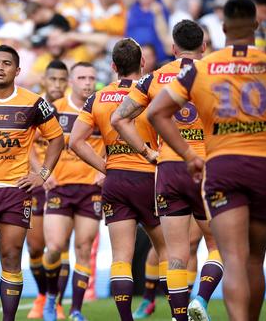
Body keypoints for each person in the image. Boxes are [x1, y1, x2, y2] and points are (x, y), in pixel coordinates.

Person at [147, 0, 266, 321]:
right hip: (264, 165)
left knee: (233, 258)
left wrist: (189, 155)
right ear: (257, 25)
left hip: (222, 167)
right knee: (253, 260)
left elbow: (157, 113)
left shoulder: (202, 70)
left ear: (222, 28)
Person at [111, 20, 224, 321]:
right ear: (203, 47)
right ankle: (201, 298)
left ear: (173, 48)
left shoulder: (153, 79)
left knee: (175, 254)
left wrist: (148, 152)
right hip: (206, 167)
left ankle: (178, 317)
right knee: (220, 245)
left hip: (169, 169)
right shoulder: (215, 75)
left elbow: (118, 119)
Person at [0, 44, 64, 321]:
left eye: (6, 63)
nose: (0, 67)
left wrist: (41, 174)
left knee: (11, 255)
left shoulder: (33, 102)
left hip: (17, 191)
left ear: (17, 71)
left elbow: (57, 138)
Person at [69, 38, 168, 321]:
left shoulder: (97, 98)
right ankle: (178, 314)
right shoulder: (153, 91)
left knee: (120, 257)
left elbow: (76, 141)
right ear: (143, 63)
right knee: (169, 251)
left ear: (112, 66)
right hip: (151, 177)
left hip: (116, 180)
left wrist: (106, 166)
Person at [42, 62, 105, 321]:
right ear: (71, 81)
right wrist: (43, 172)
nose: (87, 82)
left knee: (83, 247)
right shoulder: (55, 110)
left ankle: (76, 310)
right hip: (61, 187)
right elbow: (29, 143)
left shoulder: (102, 110)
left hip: (91, 189)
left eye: (91, 77)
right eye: (81, 77)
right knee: (55, 247)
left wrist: (105, 169)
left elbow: (118, 140)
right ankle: (50, 300)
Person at [26, 60, 69, 320]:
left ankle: (57, 301)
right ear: (44, 81)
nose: (57, 85)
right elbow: (26, 144)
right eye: (53, 80)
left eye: (62, 80)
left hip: (64, 185)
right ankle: (42, 295)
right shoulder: (34, 107)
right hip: (36, 184)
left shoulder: (73, 109)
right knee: (35, 248)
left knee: (58, 246)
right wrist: (42, 173)